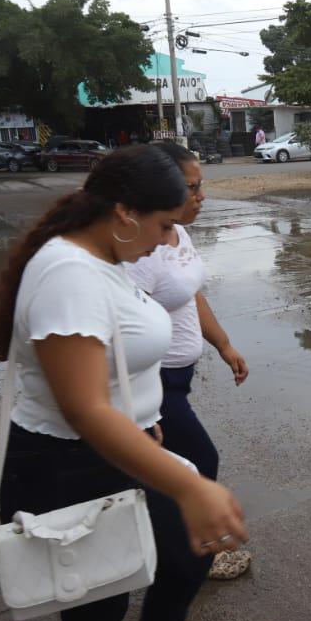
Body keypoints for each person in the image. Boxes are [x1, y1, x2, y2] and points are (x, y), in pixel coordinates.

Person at [0, 146, 247, 621]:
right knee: (95, 617)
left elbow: (114, 362)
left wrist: (148, 421)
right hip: (66, 467)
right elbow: (84, 410)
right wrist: (190, 486)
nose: (168, 239)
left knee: (186, 554)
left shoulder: (102, 257)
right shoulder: (68, 275)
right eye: (163, 225)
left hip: (109, 455)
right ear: (126, 213)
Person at [125, 141, 251, 580]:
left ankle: (176, 554)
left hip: (177, 379)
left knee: (174, 471)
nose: (202, 196)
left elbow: (190, 293)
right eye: (191, 187)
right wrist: (136, 411)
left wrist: (223, 344)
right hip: (153, 384)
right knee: (198, 462)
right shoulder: (142, 251)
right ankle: (189, 561)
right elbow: (118, 332)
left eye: (201, 186)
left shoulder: (178, 234)